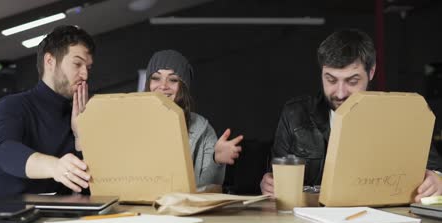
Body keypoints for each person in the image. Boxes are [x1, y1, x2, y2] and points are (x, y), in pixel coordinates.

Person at [260, 29, 442, 202]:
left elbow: (437, 170)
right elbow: (273, 176)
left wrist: (437, 180)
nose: (340, 93)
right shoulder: (295, 114)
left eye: (352, 81)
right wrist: (267, 184)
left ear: (371, 72)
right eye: (330, 79)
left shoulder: (401, 116)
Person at [0, 25, 94, 194]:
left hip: (58, 216)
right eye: (77, 64)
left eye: (88, 68)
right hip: (7, 215)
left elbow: (86, 187)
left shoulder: (76, 115)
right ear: (50, 61)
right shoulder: (12, 105)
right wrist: (55, 166)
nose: (85, 75)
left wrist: (80, 136)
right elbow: (3, 151)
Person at [145, 50, 243, 190]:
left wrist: (216, 161)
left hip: (182, 209)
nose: (163, 86)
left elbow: (206, 190)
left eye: (173, 79)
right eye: (156, 78)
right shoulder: (130, 124)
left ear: (183, 87)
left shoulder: (203, 129)